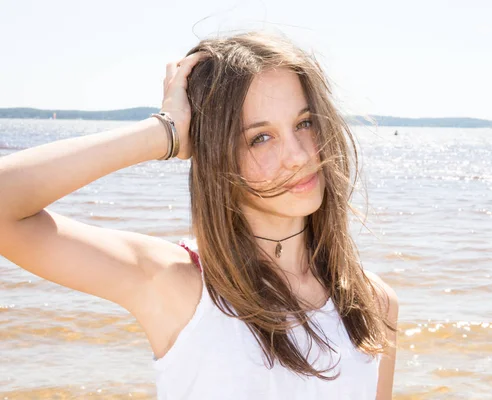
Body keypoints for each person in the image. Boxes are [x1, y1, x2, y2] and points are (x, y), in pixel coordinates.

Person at [0, 31, 398, 399]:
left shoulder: (372, 301)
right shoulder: (179, 285)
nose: (298, 155)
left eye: (304, 123)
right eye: (260, 137)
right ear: (214, 152)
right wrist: (166, 133)